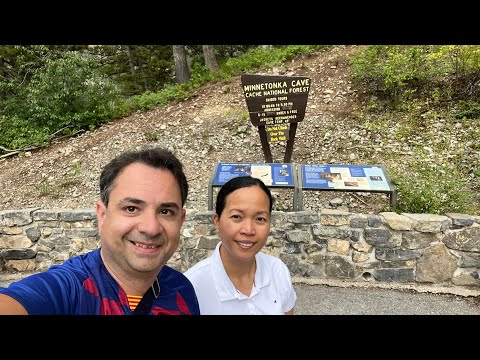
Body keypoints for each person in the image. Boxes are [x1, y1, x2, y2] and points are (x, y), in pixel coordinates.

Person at [0, 147, 200, 315]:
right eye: (131, 208)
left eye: (166, 211)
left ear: (180, 220)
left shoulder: (181, 289)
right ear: (102, 215)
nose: (151, 228)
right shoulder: (69, 290)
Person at [184, 175, 297, 315]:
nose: (248, 230)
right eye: (237, 217)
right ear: (217, 221)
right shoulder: (191, 287)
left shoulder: (277, 271)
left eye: (260, 219)